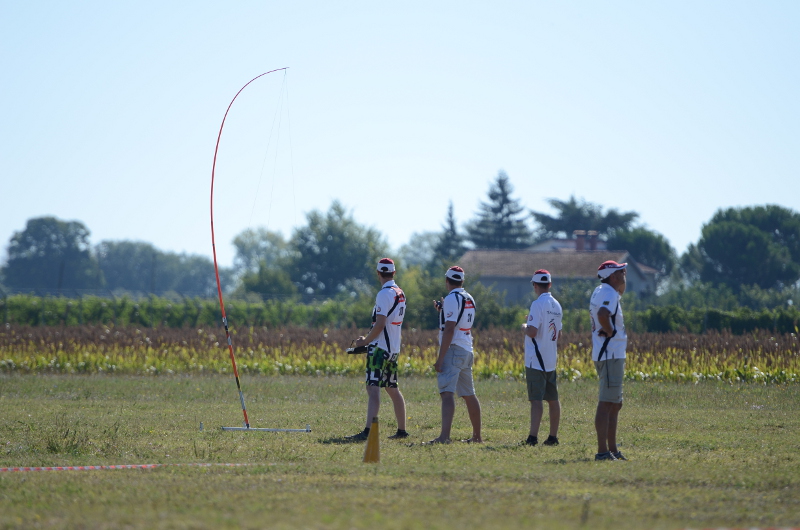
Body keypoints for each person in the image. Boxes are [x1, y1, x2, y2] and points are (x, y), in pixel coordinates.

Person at [347, 258, 408, 441]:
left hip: (380, 349)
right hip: (393, 349)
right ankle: (402, 430)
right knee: (392, 388)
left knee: (373, 388)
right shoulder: (400, 293)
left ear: (378, 273)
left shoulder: (384, 294)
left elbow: (380, 324)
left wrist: (364, 341)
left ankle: (368, 431)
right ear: (394, 273)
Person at [426, 266, 482, 444]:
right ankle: (477, 437)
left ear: (447, 281)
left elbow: (450, 329)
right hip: (467, 348)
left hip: (453, 349)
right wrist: (442, 311)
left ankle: (444, 437)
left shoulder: (451, 298)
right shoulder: (469, 298)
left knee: (447, 393)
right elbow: (459, 321)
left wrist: (440, 358)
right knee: (469, 394)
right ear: (462, 281)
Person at [589, 260, 629, 461]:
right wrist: (611, 330)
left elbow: (620, 290)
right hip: (610, 353)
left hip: (607, 353)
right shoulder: (609, 293)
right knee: (606, 403)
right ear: (613, 276)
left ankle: (612, 449)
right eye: (622, 271)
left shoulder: (602, 290)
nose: (625, 273)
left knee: (615, 403)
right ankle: (603, 451)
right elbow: (603, 314)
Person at [522, 269, 563, 447]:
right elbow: (558, 334)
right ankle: (553, 437)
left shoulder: (537, 304)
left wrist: (524, 325)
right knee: (553, 399)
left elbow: (532, 331)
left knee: (536, 399)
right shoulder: (557, 305)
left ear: (535, 285)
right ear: (550, 284)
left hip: (535, 359)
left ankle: (532, 437)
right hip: (550, 359)